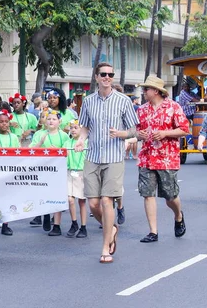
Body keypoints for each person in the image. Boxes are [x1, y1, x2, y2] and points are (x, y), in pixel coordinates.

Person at [75, 62, 138, 264]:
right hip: (92, 156)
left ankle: (105, 247)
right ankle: (111, 227)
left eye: (111, 74)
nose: (107, 77)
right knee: (93, 203)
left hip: (113, 157)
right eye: (103, 74)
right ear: (96, 77)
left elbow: (134, 130)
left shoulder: (123, 101)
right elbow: (84, 127)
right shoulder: (88, 101)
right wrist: (80, 140)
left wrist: (121, 134)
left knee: (106, 200)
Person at [133, 75, 188, 244]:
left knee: (170, 196)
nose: (143, 92)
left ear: (155, 91)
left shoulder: (173, 107)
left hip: (167, 158)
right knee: (147, 194)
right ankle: (153, 232)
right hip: (147, 157)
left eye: (146, 89)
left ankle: (178, 215)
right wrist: (138, 134)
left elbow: (184, 129)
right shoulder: (141, 110)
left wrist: (165, 133)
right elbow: (136, 131)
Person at [29, 110, 70, 234]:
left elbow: (68, 152)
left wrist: (57, 151)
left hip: (58, 170)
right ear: (44, 122)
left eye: (54, 119)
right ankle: (45, 213)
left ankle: (57, 225)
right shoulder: (39, 134)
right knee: (42, 193)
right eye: (49, 119)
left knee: (57, 196)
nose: (51, 121)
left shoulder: (63, 136)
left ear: (59, 122)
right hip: (42, 169)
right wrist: (40, 143)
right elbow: (31, 150)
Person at [64, 120, 88, 238]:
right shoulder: (67, 143)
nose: (73, 130)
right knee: (70, 199)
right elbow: (63, 155)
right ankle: (74, 223)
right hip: (70, 172)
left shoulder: (86, 143)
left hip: (81, 173)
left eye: (76, 128)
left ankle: (83, 226)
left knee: (82, 201)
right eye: (71, 128)